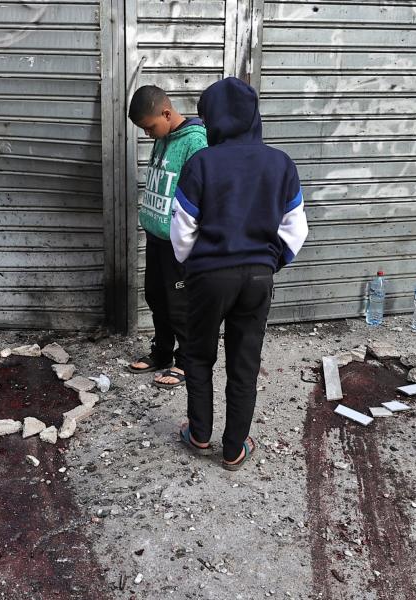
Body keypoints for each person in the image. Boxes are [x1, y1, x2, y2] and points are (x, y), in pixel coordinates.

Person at [170, 77, 309, 470]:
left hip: (209, 277)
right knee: (244, 361)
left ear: (212, 118)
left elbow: (183, 228)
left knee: (198, 355)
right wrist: (270, 262)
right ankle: (233, 449)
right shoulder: (280, 163)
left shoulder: (202, 162)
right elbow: (296, 227)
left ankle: (199, 434)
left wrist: (192, 265)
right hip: (258, 277)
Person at [126, 85, 208, 388]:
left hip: (178, 242)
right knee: (156, 297)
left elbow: (202, 193)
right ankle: (162, 353)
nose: (148, 134)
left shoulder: (196, 142)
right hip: (156, 236)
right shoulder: (164, 137)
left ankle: (187, 361)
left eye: (149, 127)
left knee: (180, 304)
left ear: (166, 112)